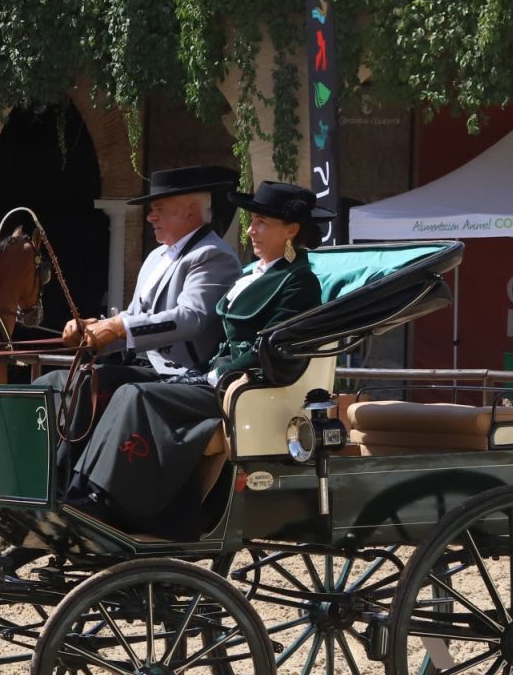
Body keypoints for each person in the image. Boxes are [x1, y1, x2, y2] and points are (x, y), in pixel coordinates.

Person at [66, 181, 330, 538]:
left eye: (261, 222)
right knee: (122, 388)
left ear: (292, 229)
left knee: (136, 394)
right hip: (215, 378)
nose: (250, 230)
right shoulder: (255, 274)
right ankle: (80, 487)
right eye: (252, 221)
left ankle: (111, 499)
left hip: (246, 387)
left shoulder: (298, 282)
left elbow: (269, 347)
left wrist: (217, 372)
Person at [37, 164, 242, 469]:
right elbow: (135, 318)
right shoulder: (155, 257)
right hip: (144, 366)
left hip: (183, 375)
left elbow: (190, 318)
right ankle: (41, 469)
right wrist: (95, 333)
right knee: (55, 381)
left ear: (190, 211)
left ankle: (66, 478)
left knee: (96, 386)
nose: (150, 217)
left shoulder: (214, 255)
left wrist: (118, 326)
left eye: (159, 209)